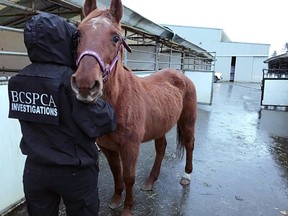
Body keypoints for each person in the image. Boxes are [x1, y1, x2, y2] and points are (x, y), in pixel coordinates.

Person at [8, 13, 116, 216]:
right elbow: (104, 122)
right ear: (65, 41)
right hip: (74, 172)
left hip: (35, 171)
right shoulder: (69, 81)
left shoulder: (18, 79)